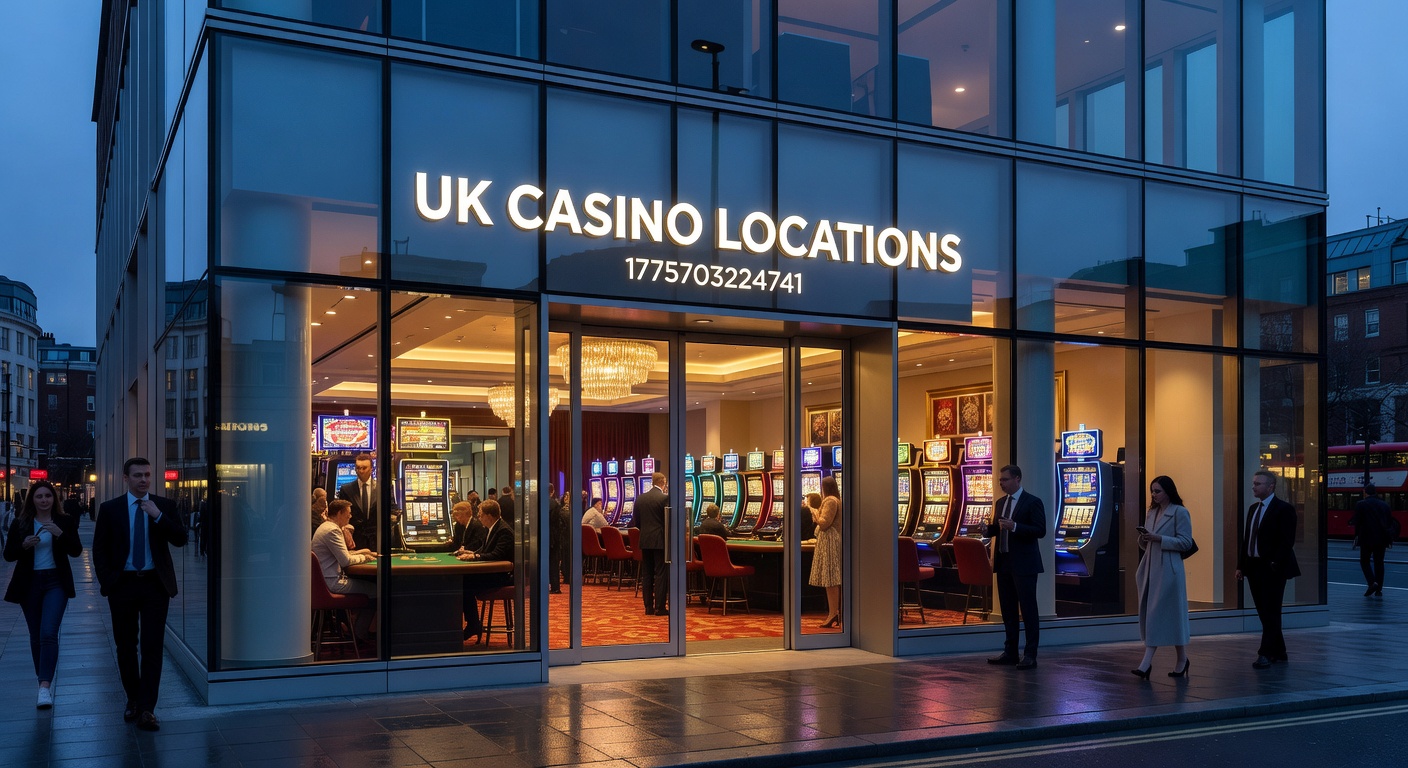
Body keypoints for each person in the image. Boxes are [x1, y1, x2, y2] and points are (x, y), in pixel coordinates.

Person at [92, 457, 189, 731]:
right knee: (125, 646)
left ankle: (148, 708)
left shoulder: (164, 506)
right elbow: (99, 549)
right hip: (122, 584)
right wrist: (108, 581)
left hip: (154, 585)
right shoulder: (110, 509)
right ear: (126, 478)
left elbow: (181, 539)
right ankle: (133, 698)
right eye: (137, 475)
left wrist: (157, 516)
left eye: (147, 474)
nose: (143, 479)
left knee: (152, 647)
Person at [5, 480, 84, 709]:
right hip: (29, 583)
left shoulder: (64, 521)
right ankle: (43, 677)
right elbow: (9, 555)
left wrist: (59, 534)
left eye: (48, 496)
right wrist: (24, 546)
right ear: (32, 500)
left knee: (49, 632)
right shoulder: (21, 523)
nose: (44, 500)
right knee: (36, 635)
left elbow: (76, 550)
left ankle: (44, 686)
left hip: (55, 582)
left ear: (54, 499)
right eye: (39, 496)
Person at [1235, 470, 1300, 669]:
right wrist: (1241, 566)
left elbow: (1287, 541)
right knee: (1264, 612)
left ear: (1270, 487)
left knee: (1271, 611)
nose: (1254, 487)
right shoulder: (1253, 509)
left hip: (1272, 568)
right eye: (1254, 483)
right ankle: (1280, 652)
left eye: (1258, 484)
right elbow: (1247, 540)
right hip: (1253, 567)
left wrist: (1274, 564)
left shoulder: (1284, 509)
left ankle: (1265, 653)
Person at [1132, 475, 1194, 680]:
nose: (1154, 494)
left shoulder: (1180, 512)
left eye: (1157, 490)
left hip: (1169, 570)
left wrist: (1158, 538)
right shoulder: (1152, 512)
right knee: (1166, 616)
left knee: (1158, 615)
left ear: (1168, 491)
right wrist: (1145, 538)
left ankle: (1146, 663)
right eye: (1152, 490)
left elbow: (1185, 542)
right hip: (1151, 567)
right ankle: (1181, 659)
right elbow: (1147, 543)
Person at [986, 464, 1046, 670]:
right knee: (1008, 610)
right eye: (1000, 480)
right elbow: (998, 528)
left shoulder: (1032, 502)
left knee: (1028, 610)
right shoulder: (1001, 502)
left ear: (1017, 479)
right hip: (1004, 561)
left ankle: (1030, 654)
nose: (1001, 483)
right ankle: (1010, 652)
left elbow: (1040, 530)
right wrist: (987, 529)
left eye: (1005, 479)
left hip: (1025, 563)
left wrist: (1016, 527)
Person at [312, 499, 378, 641]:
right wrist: (364, 557)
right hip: (332, 583)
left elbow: (342, 554)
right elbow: (345, 560)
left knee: (371, 589)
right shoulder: (332, 530)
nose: (351, 516)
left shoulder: (326, 527)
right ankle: (359, 633)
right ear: (340, 513)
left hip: (323, 583)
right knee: (377, 591)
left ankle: (354, 628)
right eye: (348, 513)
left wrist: (362, 552)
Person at [455, 499, 513, 643]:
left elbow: (496, 555)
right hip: (493, 574)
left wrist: (475, 556)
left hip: (502, 578)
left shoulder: (503, 530)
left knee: (464, 584)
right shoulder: (494, 528)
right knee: (463, 581)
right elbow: (487, 549)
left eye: (481, 515)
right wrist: (472, 552)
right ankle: (473, 623)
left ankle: (473, 624)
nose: (479, 518)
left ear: (489, 515)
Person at [446, 501, 486, 637]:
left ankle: (473, 624)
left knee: (464, 587)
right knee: (463, 585)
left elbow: (479, 545)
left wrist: (466, 551)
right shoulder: (460, 526)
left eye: (457, 515)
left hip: (483, 572)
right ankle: (472, 623)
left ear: (464, 515)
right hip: (471, 565)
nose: (456, 518)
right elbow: (458, 544)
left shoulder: (476, 525)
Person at [809, 476, 843, 627]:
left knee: (831, 580)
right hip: (829, 540)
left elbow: (824, 523)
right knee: (831, 579)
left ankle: (833, 613)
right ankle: (834, 612)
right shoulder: (835, 499)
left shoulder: (830, 500)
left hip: (830, 541)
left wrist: (813, 511)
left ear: (825, 487)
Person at [635, 472, 669, 616]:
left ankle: (648, 607)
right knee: (661, 573)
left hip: (645, 540)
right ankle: (659, 607)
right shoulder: (664, 498)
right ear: (663, 482)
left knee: (647, 574)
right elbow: (668, 522)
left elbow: (637, 522)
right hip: (660, 540)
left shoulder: (640, 498)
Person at [1351, 484, 1393, 596]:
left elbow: (1357, 522)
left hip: (1366, 538)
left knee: (1364, 561)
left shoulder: (1361, 504)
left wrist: (1356, 537)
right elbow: (1389, 523)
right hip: (1382, 539)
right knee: (1379, 562)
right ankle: (1379, 589)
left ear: (1366, 492)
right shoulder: (1385, 505)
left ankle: (1372, 582)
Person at [336, 453, 378, 551]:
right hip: (355, 539)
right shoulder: (346, 489)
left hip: (377, 540)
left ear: (371, 469)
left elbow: (393, 510)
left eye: (364, 468)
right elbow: (340, 515)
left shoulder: (382, 488)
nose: (361, 471)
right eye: (358, 468)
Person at [548, 485, 570, 594]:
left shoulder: (536, 503)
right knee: (553, 562)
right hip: (553, 537)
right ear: (552, 492)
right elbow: (558, 522)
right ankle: (555, 587)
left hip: (541, 537)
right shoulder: (554, 504)